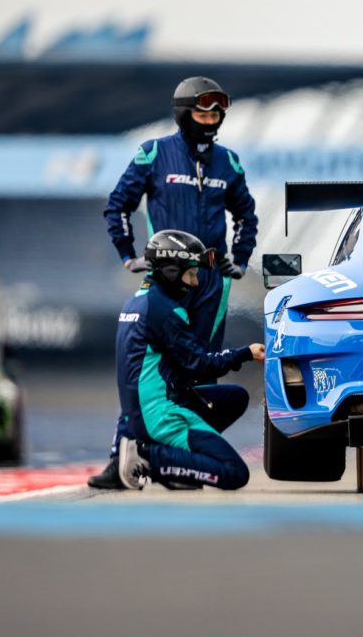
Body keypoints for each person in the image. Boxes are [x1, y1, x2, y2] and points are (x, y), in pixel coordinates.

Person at [90, 76, 259, 489]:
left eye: (216, 114)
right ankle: (122, 457)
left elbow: (247, 216)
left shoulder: (229, 162)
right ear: (184, 113)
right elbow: (118, 205)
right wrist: (127, 254)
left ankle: (185, 465)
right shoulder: (154, 153)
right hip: (165, 281)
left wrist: (240, 260)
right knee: (147, 371)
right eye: (202, 112)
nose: (210, 119)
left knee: (200, 368)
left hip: (211, 282)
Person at [113, 230, 264, 491]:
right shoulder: (167, 312)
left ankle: (179, 463)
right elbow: (200, 365)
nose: (195, 283)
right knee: (235, 472)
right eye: (191, 274)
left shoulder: (136, 301)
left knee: (235, 397)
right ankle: (148, 458)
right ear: (172, 271)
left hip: (140, 411)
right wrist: (246, 353)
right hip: (160, 415)